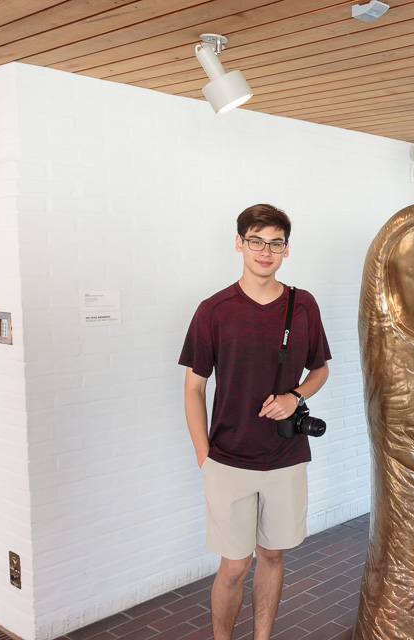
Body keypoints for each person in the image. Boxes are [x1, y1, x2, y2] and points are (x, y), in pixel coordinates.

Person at [179, 204, 331, 640]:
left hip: (286, 456)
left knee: (272, 555)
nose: (266, 251)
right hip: (228, 459)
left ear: (286, 249)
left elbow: (320, 369)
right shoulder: (214, 310)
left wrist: (294, 397)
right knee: (233, 566)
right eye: (256, 241)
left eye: (275, 243)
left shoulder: (304, 305)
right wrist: (205, 456)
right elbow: (193, 389)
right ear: (239, 243)